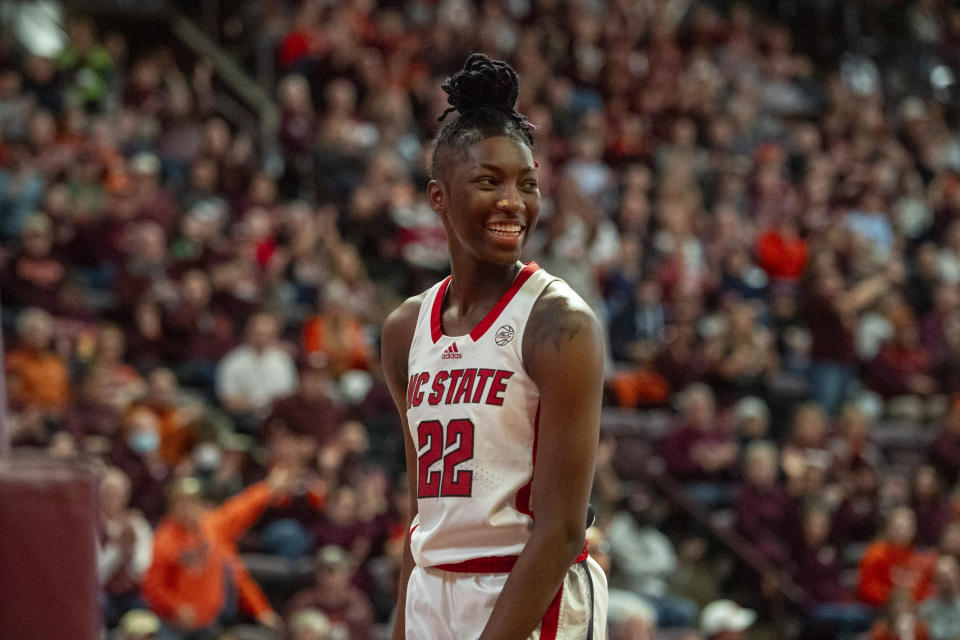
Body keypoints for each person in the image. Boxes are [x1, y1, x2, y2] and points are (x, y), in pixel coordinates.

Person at [380, 54, 608, 639]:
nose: (514, 201)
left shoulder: (560, 326)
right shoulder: (406, 329)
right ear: (438, 197)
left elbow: (559, 532)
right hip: (434, 588)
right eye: (489, 181)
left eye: (527, 184)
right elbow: (422, 514)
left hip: (529, 593)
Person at [141, 473, 287, 638]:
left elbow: (242, 508)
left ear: (201, 504)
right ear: (172, 508)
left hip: (209, 624)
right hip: (173, 626)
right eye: (181, 503)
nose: (187, 509)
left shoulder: (212, 527)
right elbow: (153, 587)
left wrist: (260, 609)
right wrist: (175, 608)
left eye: (192, 502)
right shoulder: (164, 540)